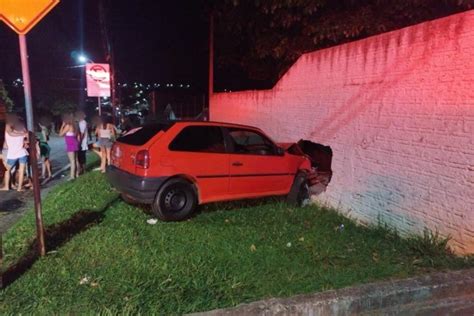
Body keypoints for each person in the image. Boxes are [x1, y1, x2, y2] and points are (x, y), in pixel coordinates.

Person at [1, 117, 28, 191]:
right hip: (22, 152)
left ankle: (6, 186)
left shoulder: (9, 129)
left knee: (7, 170)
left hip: (12, 153)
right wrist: (24, 138)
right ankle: (19, 188)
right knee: (21, 170)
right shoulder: (22, 128)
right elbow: (27, 136)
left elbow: (10, 133)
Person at [59, 113, 79, 180]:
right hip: (74, 142)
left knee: (72, 161)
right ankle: (77, 173)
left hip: (70, 143)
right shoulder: (75, 125)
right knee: (76, 159)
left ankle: (72, 176)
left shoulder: (68, 126)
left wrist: (62, 126)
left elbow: (60, 134)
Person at [75, 111, 88, 175]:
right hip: (81, 142)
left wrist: (79, 142)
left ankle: (84, 170)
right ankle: (81, 169)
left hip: (82, 143)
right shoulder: (80, 122)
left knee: (82, 157)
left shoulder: (83, 123)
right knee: (80, 157)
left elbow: (82, 134)